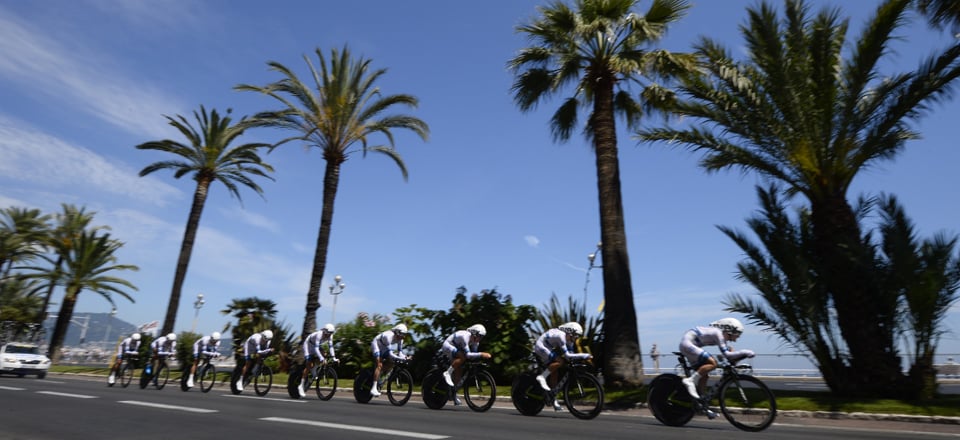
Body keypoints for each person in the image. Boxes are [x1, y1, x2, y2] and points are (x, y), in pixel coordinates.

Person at [679, 318, 755, 402]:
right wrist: (745, 352)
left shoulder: (719, 335)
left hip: (689, 346)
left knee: (704, 375)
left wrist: (735, 359)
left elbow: (729, 353)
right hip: (687, 344)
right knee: (713, 363)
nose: (735, 340)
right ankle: (690, 381)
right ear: (730, 330)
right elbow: (727, 354)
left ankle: (701, 402)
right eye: (736, 336)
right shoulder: (718, 333)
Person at [533, 322, 593, 411]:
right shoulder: (560, 336)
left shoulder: (570, 340)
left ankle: (552, 398)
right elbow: (567, 355)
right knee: (560, 361)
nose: (576, 338)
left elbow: (571, 355)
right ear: (570, 332)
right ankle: (542, 377)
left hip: (548, 348)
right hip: (541, 346)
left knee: (555, 371)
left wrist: (578, 359)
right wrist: (584, 355)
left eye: (578, 336)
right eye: (576, 335)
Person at [441, 324, 491, 405]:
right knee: (463, 357)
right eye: (479, 336)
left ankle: (453, 393)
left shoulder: (475, 342)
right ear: (474, 333)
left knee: (459, 371)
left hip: (457, 349)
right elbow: (468, 355)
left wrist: (479, 358)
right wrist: (482, 354)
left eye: (482, 337)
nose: (480, 339)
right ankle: (447, 373)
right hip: (448, 345)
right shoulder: (465, 337)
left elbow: (473, 356)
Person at [297, 323, 338, 397]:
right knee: (309, 365)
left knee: (324, 354)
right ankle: (301, 385)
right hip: (308, 345)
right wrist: (322, 359)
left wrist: (334, 357)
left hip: (315, 346)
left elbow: (331, 347)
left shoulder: (330, 336)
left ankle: (314, 369)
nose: (329, 335)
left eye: (331, 334)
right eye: (328, 333)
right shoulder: (319, 334)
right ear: (325, 331)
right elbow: (316, 348)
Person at [370, 323, 410, 397]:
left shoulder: (401, 340)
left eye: (404, 334)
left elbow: (400, 353)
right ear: (397, 332)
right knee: (379, 364)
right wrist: (402, 358)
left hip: (384, 347)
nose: (403, 337)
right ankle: (374, 388)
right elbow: (391, 354)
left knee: (392, 362)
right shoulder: (388, 336)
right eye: (402, 334)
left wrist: (405, 357)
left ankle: (379, 374)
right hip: (376, 345)